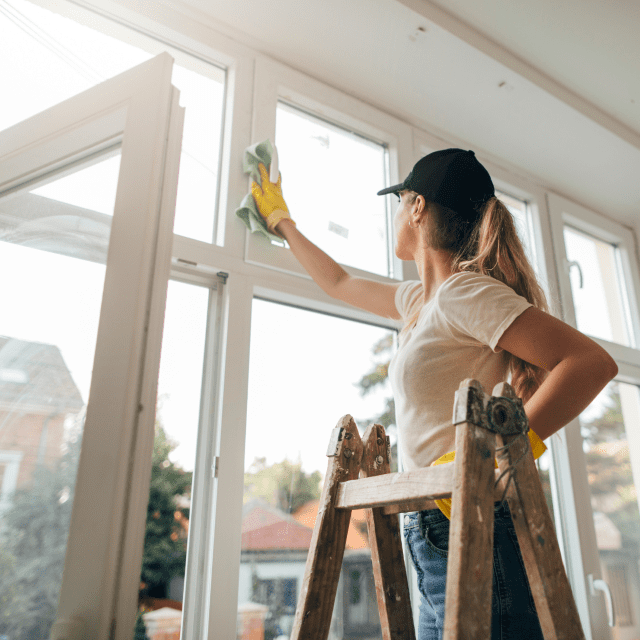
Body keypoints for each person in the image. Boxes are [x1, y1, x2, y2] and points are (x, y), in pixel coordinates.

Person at [251, 148, 618, 639]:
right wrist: (282, 222)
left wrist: (500, 454)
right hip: (430, 529)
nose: (397, 214)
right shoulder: (419, 302)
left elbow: (590, 364)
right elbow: (337, 281)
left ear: (417, 206)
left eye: (400, 201)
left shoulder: (466, 293)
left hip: (476, 522)